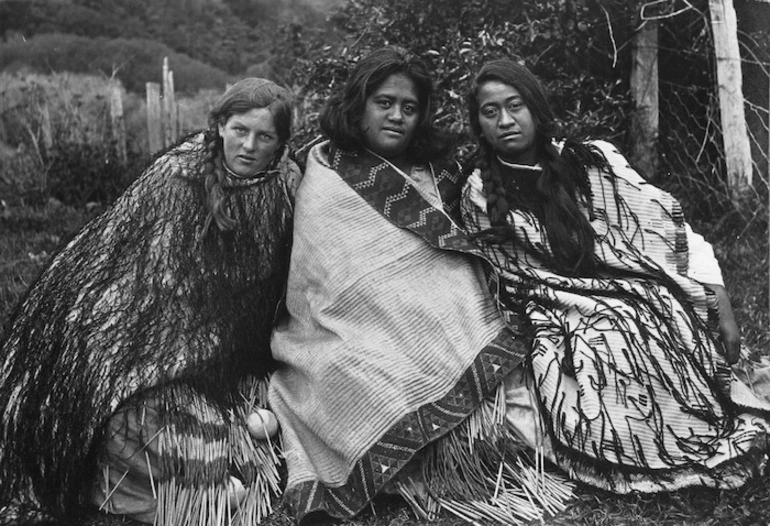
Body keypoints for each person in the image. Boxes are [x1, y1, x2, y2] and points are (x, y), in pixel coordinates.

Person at [461, 58, 770, 501]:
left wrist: (718, 298)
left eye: (516, 106)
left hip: (632, 288)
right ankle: (644, 448)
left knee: (656, 311)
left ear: (536, 108)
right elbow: (510, 272)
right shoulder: (479, 192)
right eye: (490, 113)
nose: (506, 121)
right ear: (478, 123)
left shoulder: (592, 162)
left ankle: (696, 426)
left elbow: (663, 228)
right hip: (553, 305)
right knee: (603, 338)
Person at [266, 46, 547, 524]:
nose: (397, 116)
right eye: (385, 103)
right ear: (359, 106)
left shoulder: (442, 171)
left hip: (447, 314)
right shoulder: (326, 173)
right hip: (343, 328)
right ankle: (428, 466)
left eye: (410, 107)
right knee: (351, 374)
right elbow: (327, 275)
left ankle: (468, 454)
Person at [0, 78, 299, 525]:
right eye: (240, 130)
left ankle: (203, 480)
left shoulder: (283, 187)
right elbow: (146, 265)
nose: (250, 145)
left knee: (189, 410)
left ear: (280, 142)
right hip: (154, 310)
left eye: (265, 136)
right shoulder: (176, 175)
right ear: (220, 125)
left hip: (232, 333)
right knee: (109, 390)